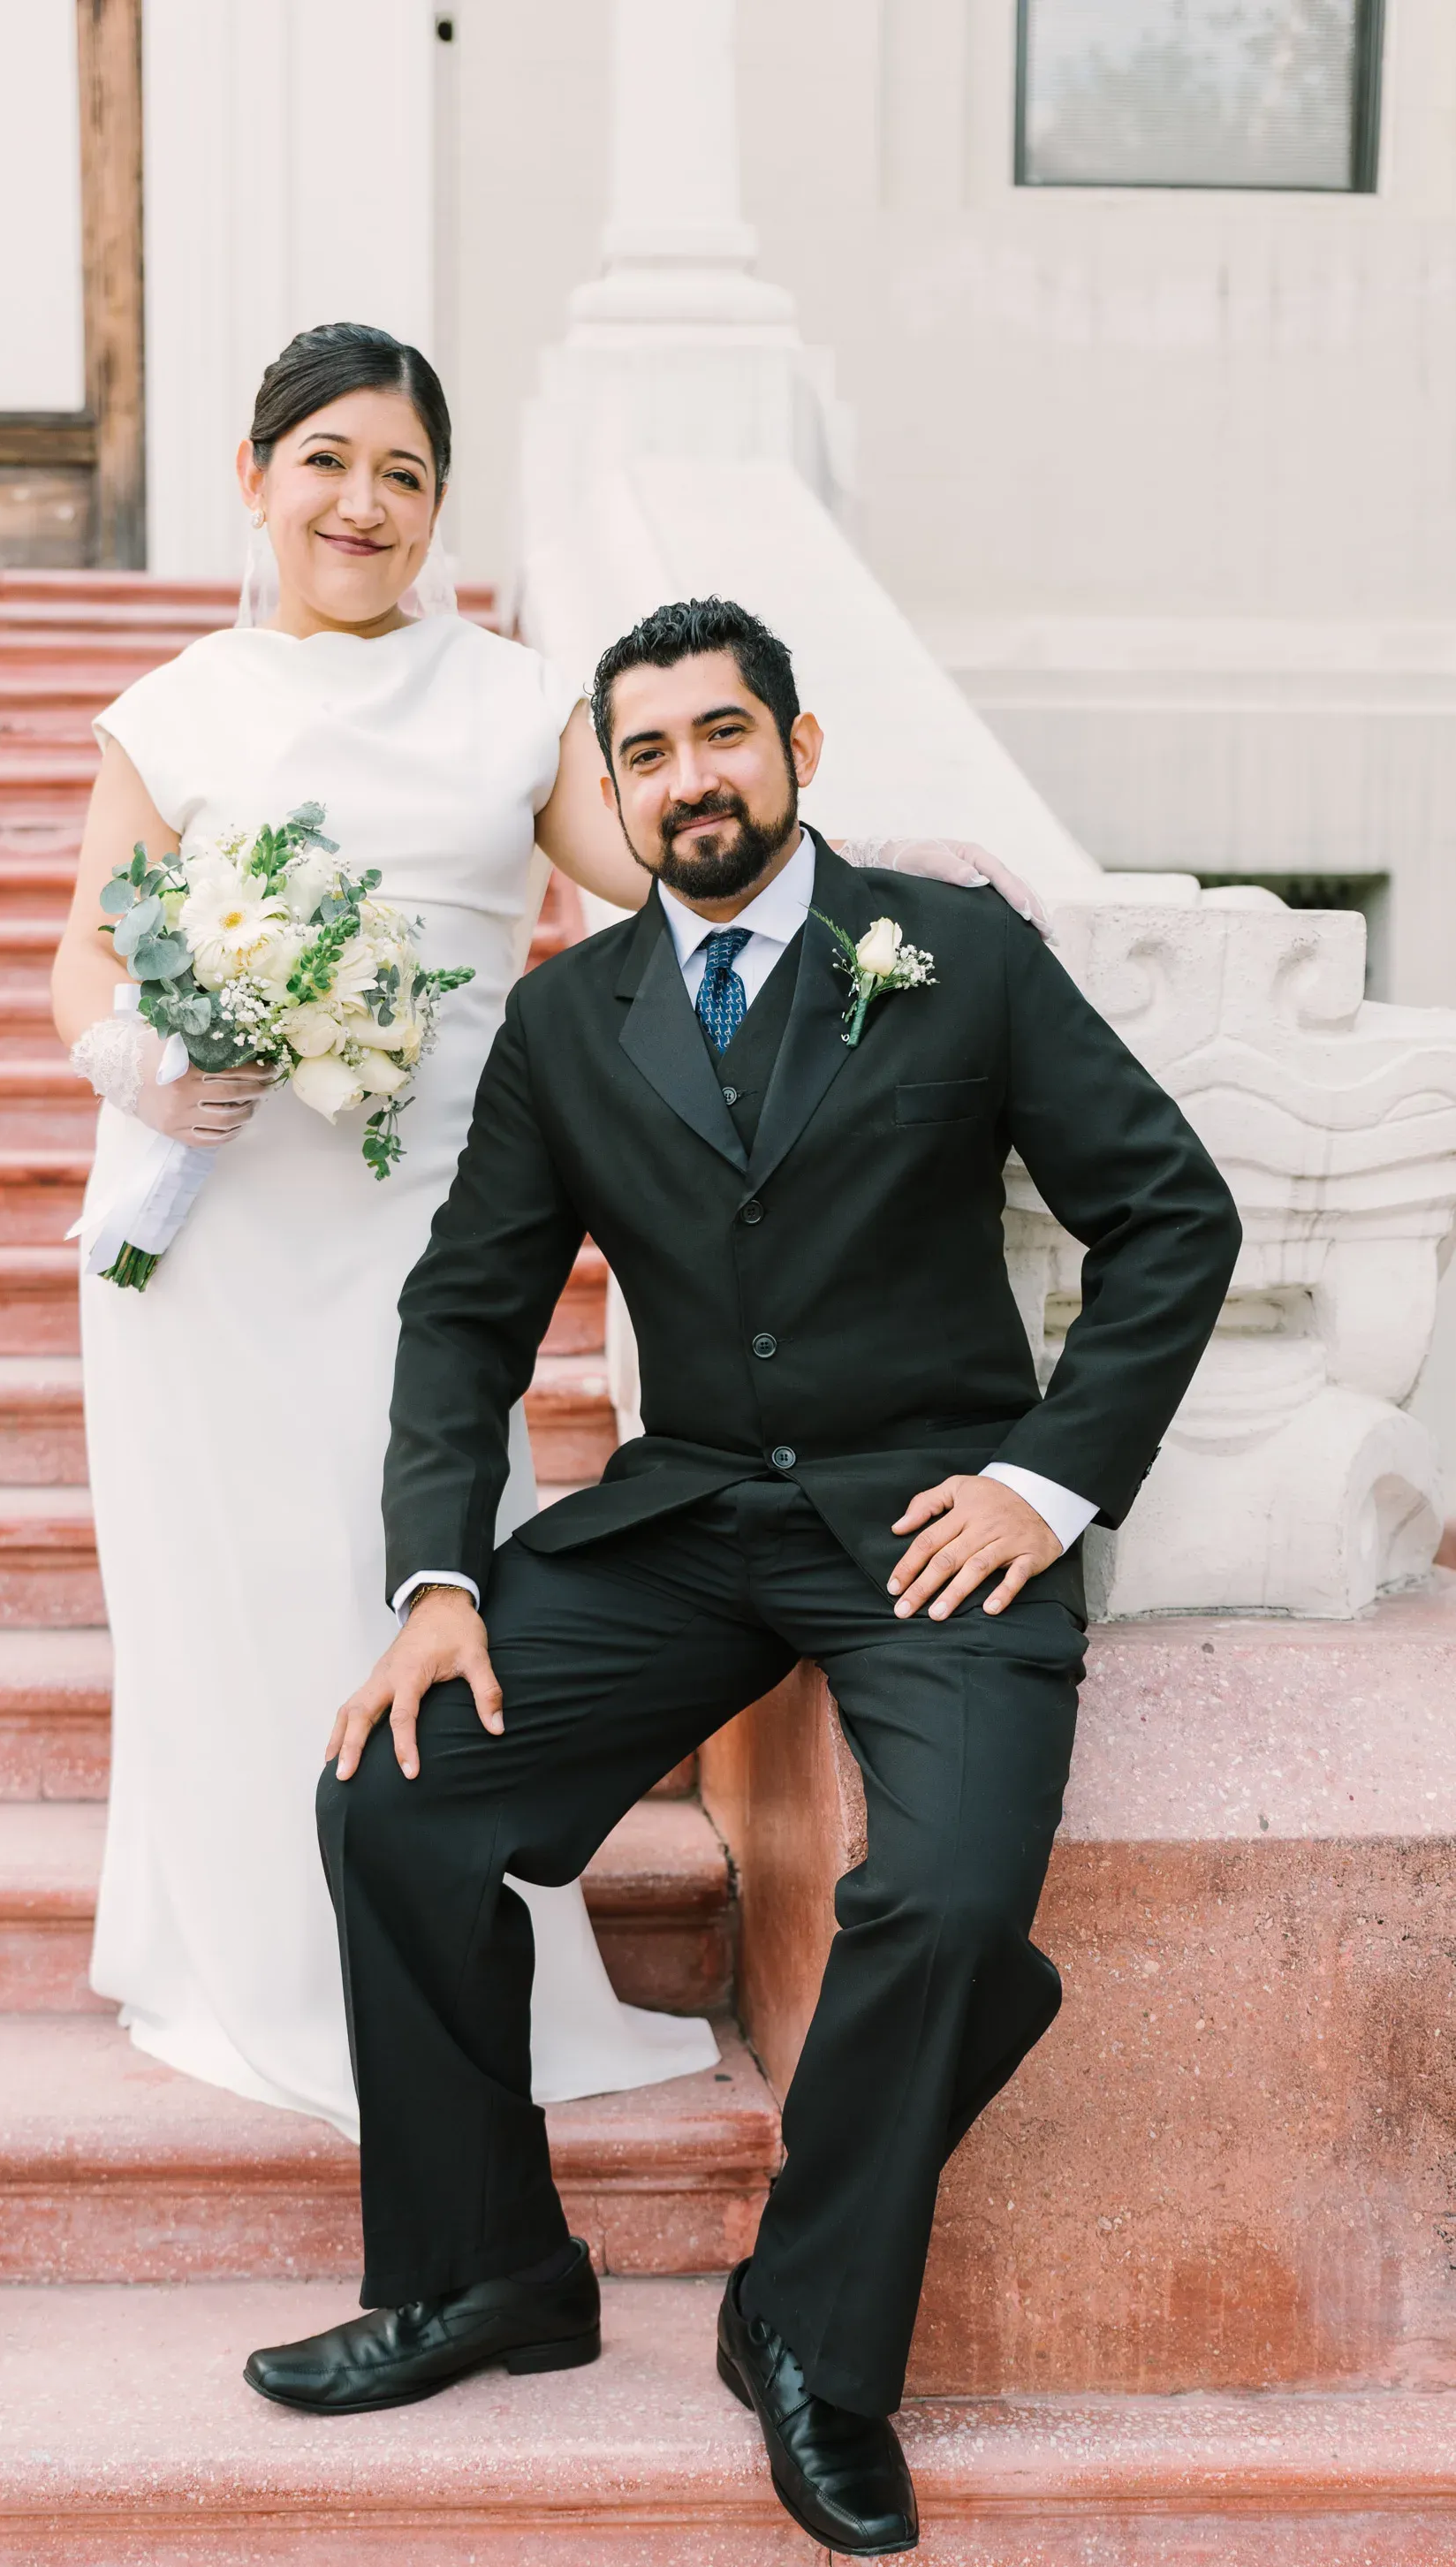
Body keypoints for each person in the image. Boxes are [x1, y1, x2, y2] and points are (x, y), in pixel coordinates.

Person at [246, 597, 1243, 2558]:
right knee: (394, 1800)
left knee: (948, 1902)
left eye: (720, 735)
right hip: (683, 1516)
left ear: (796, 742)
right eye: (643, 753)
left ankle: (803, 2330)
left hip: (928, 1515)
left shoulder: (952, 954)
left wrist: (1044, 1481)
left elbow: (1167, 1214)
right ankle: (486, 2276)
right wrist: (434, 1580)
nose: (686, 778)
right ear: (609, 791)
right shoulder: (565, 1018)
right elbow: (464, 1319)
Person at [51, 325, 1054, 2145]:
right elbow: (85, 950)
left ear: (439, 505)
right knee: (226, 1594)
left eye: (406, 475)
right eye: (328, 461)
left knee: (410, 1572)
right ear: (255, 475)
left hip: (423, 1222)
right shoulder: (174, 705)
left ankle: (439, 1962)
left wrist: (894, 890)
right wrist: (137, 1057)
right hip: (215, 1232)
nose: (363, 504)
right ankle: (247, 1953)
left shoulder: (515, 699)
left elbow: (684, 861)